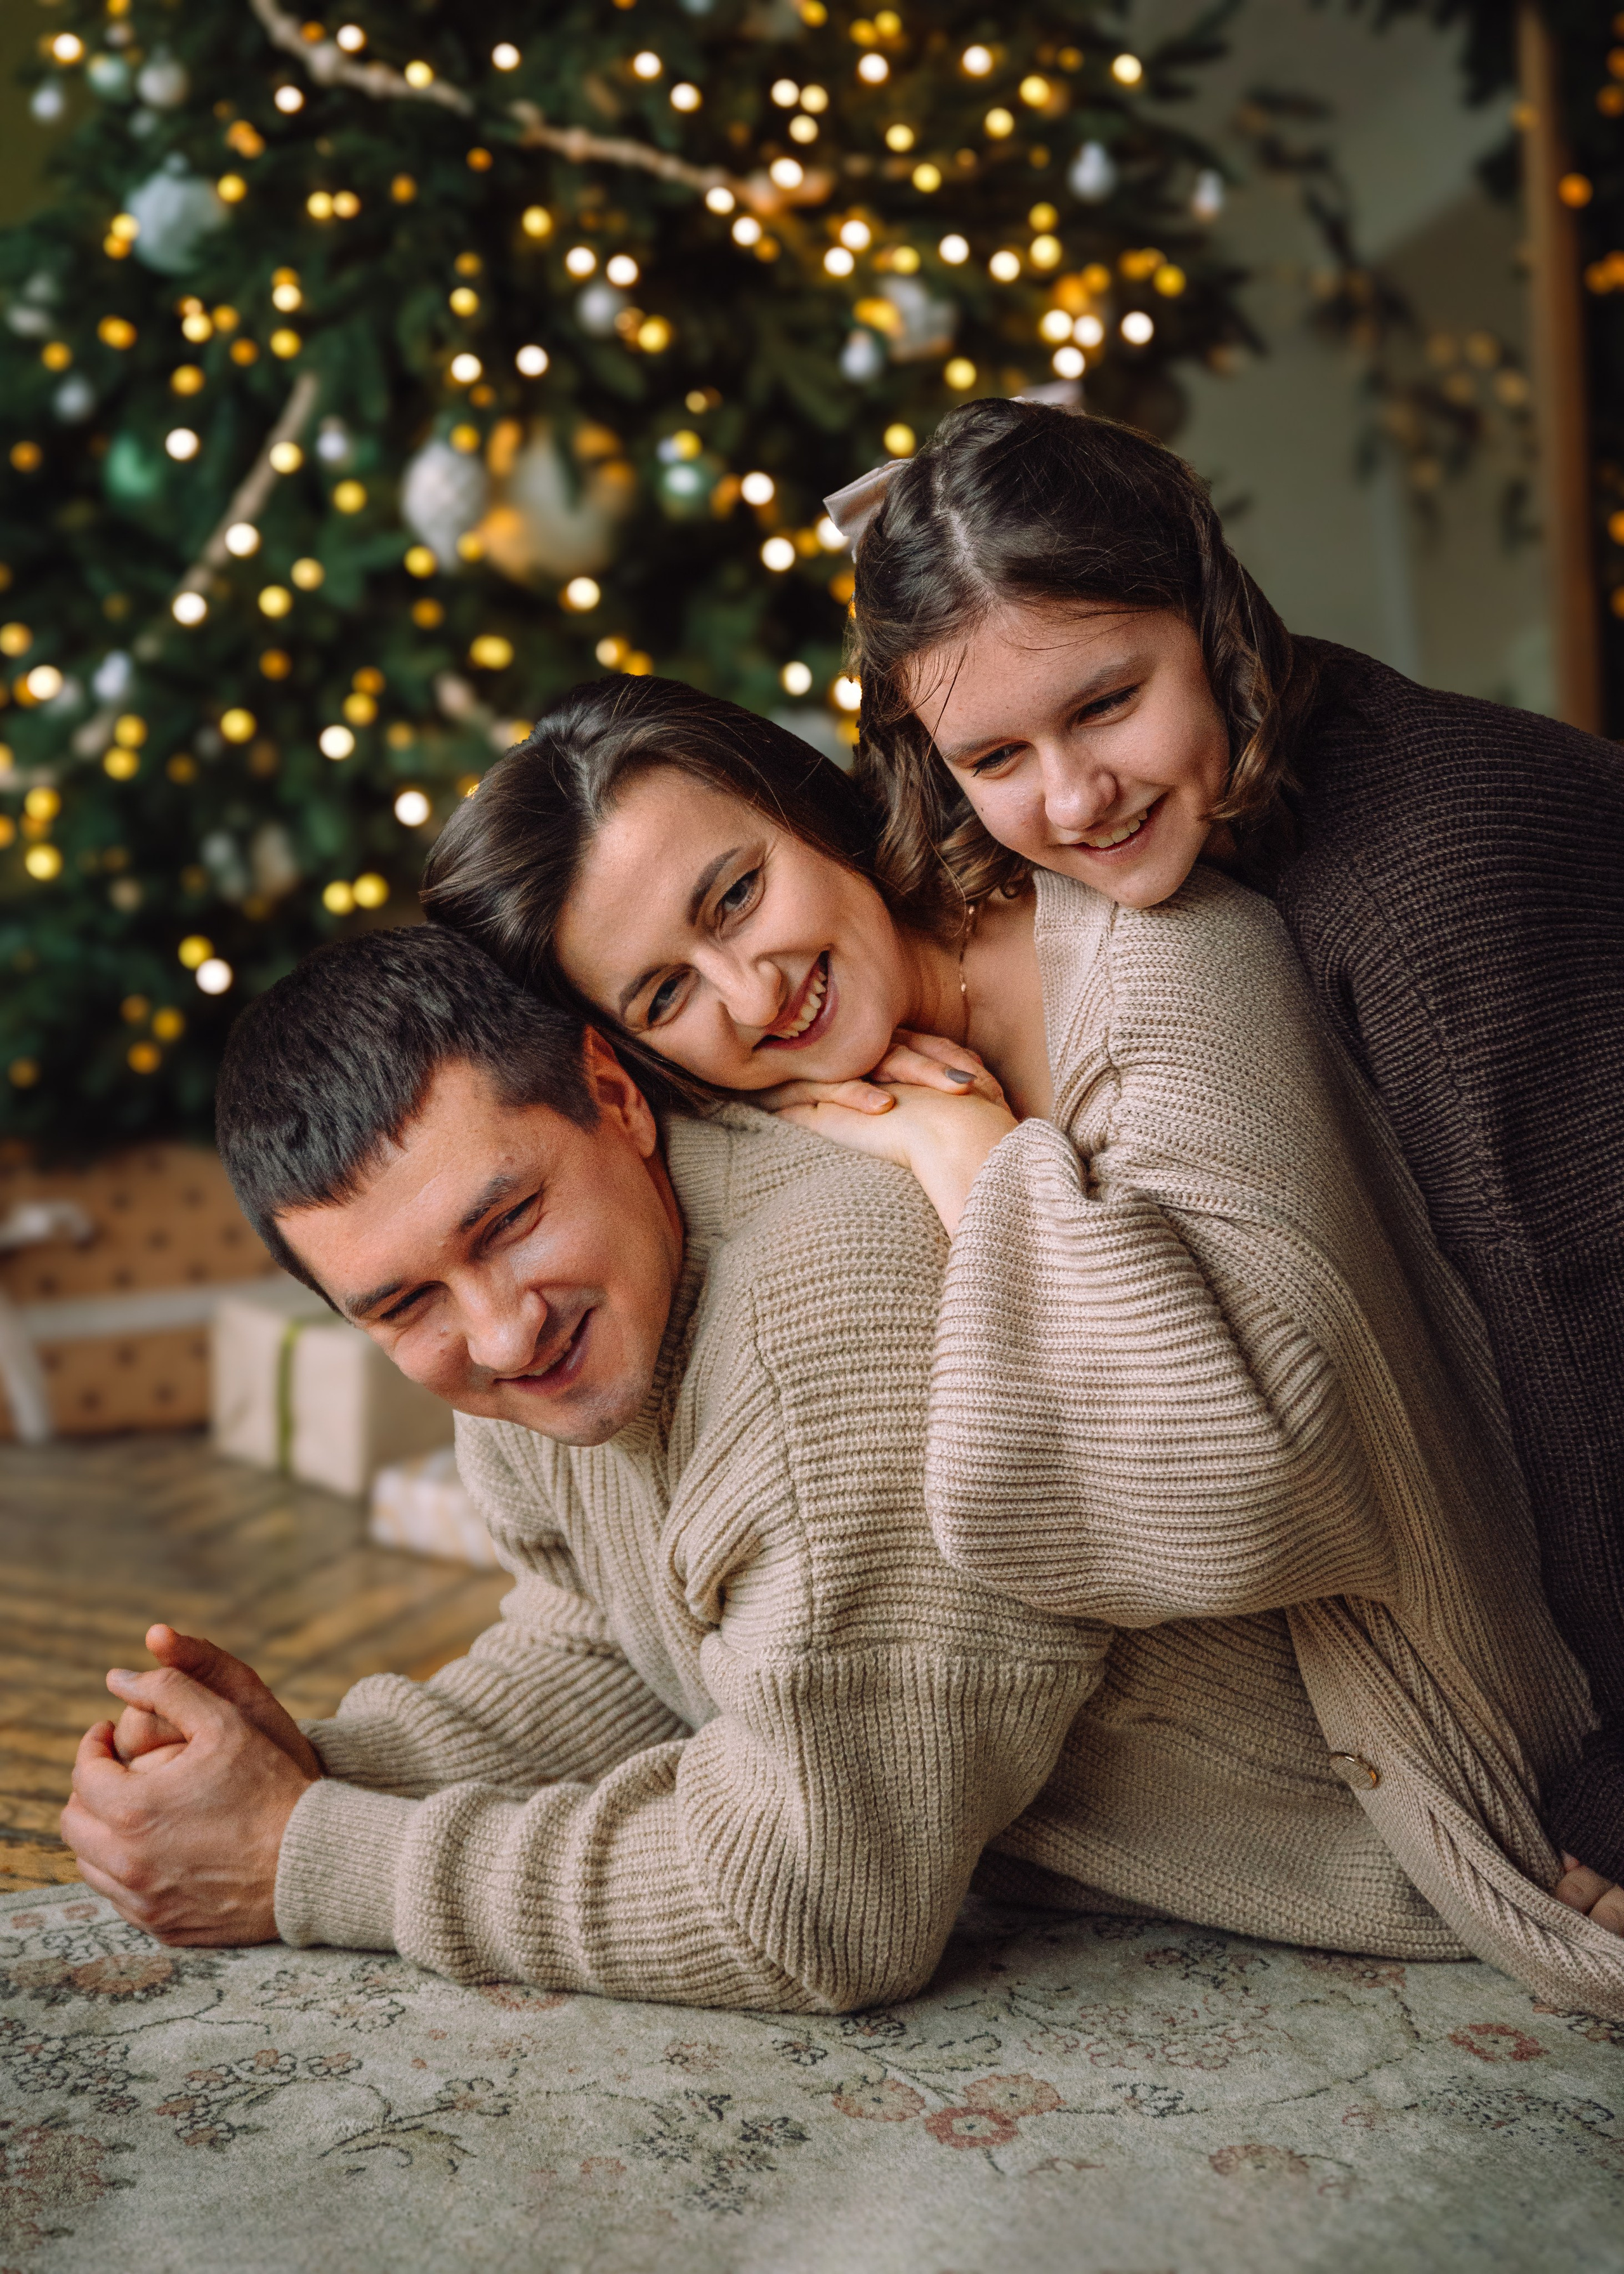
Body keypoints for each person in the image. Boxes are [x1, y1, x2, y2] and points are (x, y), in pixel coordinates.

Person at [58, 928, 1622, 2014]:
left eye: (505, 1220)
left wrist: (312, 1859)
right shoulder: (548, 1336)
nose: (496, 1329)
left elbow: (813, 1907)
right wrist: (316, 1769)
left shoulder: (820, 1326)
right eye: (401, 1304)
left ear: (613, 1099)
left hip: (1446, 1865)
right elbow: (618, 1639)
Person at [418, 674, 1624, 2006]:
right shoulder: (766, 1119)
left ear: (805, 809)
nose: (748, 993)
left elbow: (1239, 1488)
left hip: (1456, 1703)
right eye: (663, 995)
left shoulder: (1157, 951)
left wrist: (970, 1158)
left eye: (735, 895)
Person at [837, 396, 1624, 1888]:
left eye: (1106, 702)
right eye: (994, 755)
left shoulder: (1422, 884)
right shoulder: (1203, 851)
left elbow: (1585, 1330)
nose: (1072, 798)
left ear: (1207, 613)